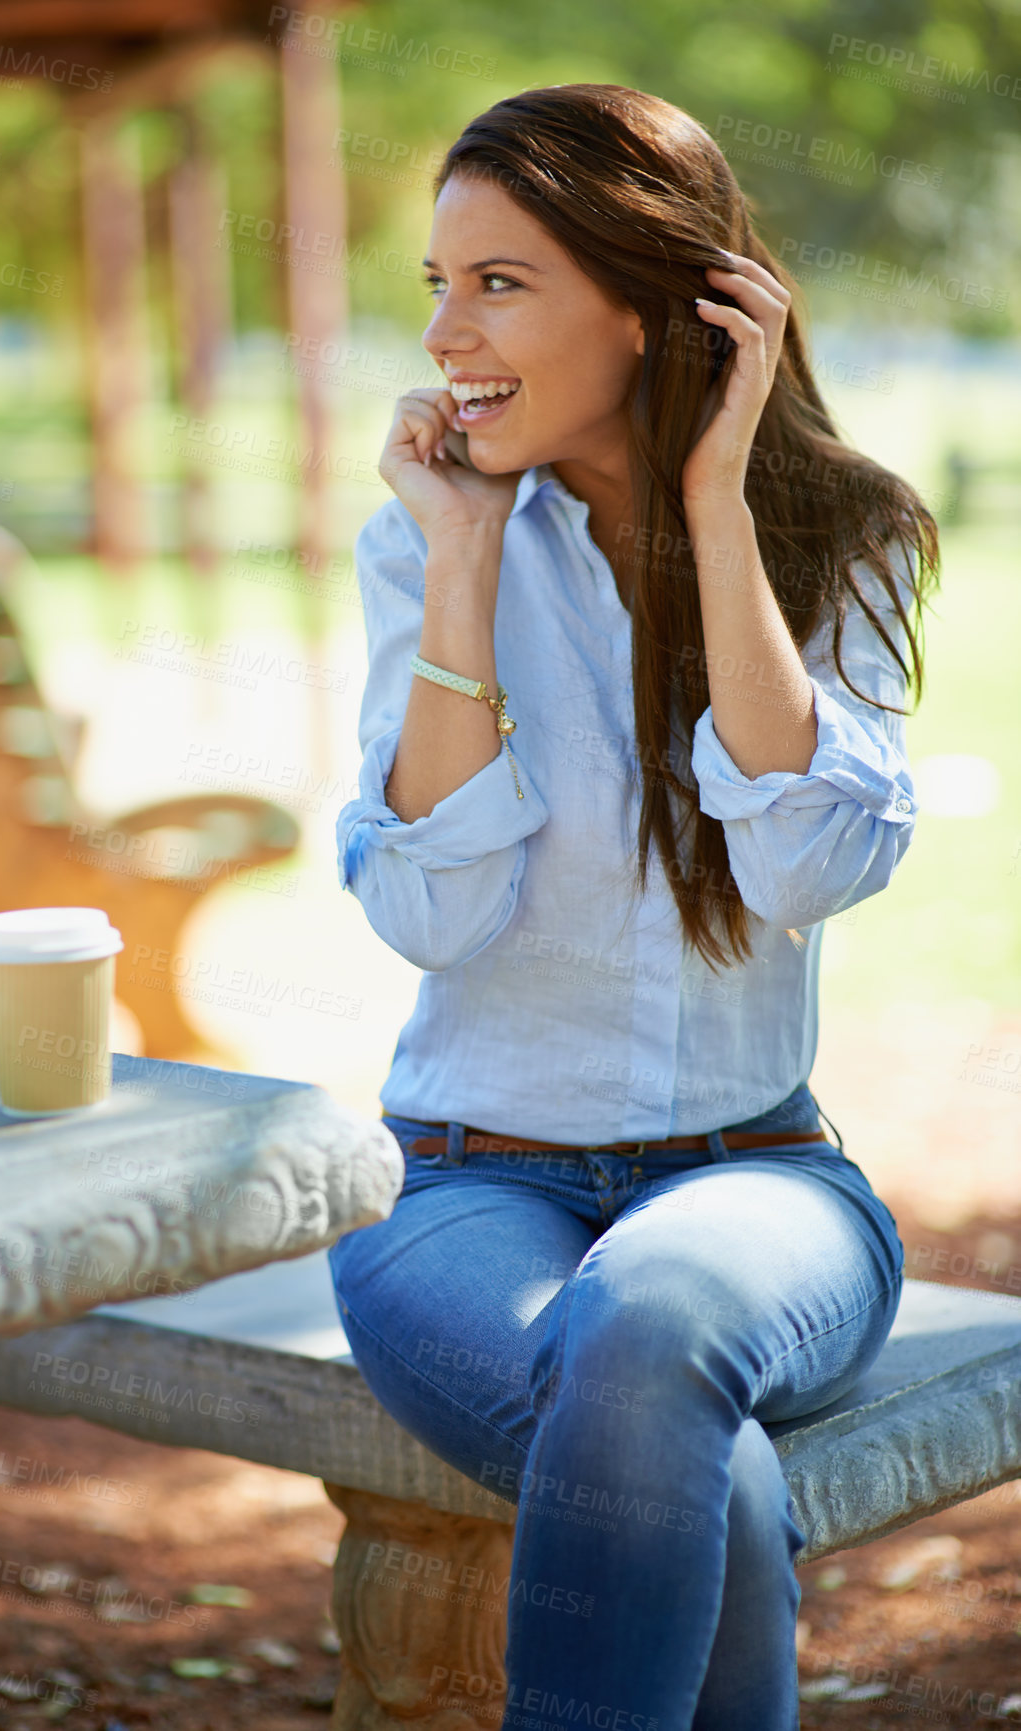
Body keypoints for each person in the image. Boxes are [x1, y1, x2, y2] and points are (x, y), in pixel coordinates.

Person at [329, 83, 940, 1731]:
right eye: (438, 286)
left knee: (654, 1316)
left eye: (500, 283)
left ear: (650, 300)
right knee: (684, 1443)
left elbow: (810, 867)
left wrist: (716, 509)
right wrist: (462, 558)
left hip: (761, 1186)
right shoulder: (425, 542)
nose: (447, 334)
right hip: (460, 1190)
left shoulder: (842, 534)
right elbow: (432, 921)